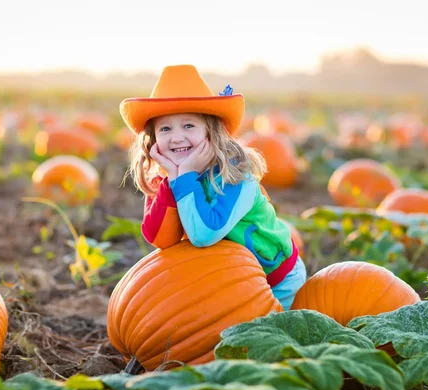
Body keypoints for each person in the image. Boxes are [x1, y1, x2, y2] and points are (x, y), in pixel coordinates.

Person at [120, 64, 306, 310]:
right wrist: (173, 182)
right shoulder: (168, 178)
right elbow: (160, 238)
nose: (176, 137)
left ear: (212, 131)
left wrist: (185, 177)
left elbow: (204, 234)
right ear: (154, 140)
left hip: (276, 282)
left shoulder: (237, 177)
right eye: (165, 129)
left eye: (188, 126)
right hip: (228, 280)